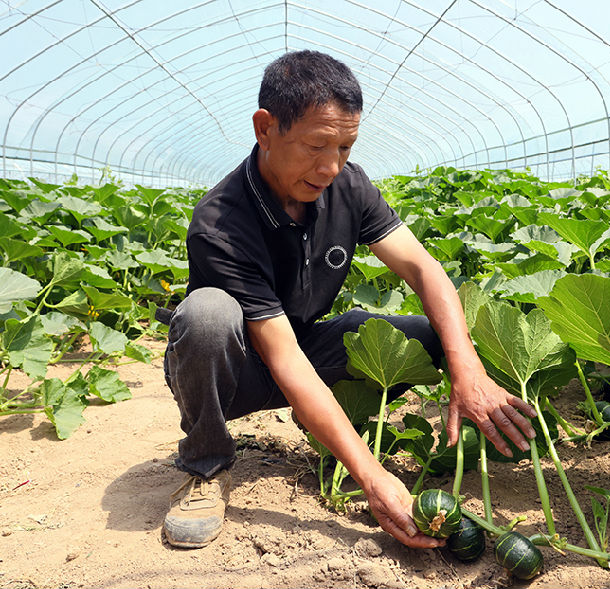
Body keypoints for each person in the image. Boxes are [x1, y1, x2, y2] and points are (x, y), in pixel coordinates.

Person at [161, 50, 537, 550]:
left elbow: (422, 268)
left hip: (306, 344)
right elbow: (283, 358)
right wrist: (372, 476)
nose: (331, 166)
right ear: (264, 128)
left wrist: (465, 366)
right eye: (317, 146)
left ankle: (329, 422)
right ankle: (206, 465)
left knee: (436, 337)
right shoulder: (220, 223)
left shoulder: (349, 185)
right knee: (206, 314)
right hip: (241, 370)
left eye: (345, 146)